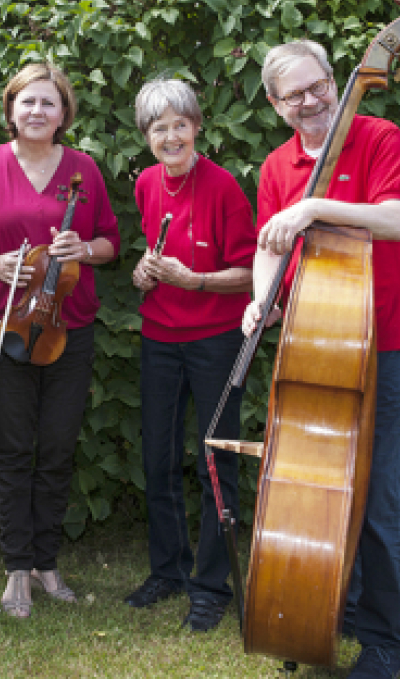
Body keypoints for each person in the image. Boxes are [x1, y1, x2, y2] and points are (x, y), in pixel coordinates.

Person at [242, 39, 400, 679]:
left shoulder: (377, 135)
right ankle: (326, 609)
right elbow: (269, 244)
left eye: (321, 85)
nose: (313, 101)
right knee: (318, 488)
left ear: (336, 81)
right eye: (296, 94)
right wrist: (261, 299)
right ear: (275, 104)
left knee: (378, 497)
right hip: (312, 339)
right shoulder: (275, 165)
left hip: (381, 338)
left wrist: (312, 208)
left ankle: (382, 640)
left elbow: (393, 221)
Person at [0, 62, 120, 618]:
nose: (37, 112)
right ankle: (15, 571)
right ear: (10, 109)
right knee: (10, 448)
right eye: (27, 102)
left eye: (48, 104)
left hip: (69, 329)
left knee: (56, 447)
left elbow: (111, 243)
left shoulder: (84, 170)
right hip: (5, 325)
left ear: (63, 115)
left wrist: (84, 250)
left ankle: (46, 562)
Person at [125, 78, 256, 631]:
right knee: (156, 458)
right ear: (147, 137)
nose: (171, 136)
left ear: (198, 126)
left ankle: (211, 585)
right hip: (160, 337)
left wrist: (194, 280)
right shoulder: (147, 184)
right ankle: (169, 570)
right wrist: (144, 274)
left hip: (216, 339)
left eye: (181, 124)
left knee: (215, 463)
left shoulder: (225, 186)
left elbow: (251, 274)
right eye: (160, 128)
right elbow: (156, 257)